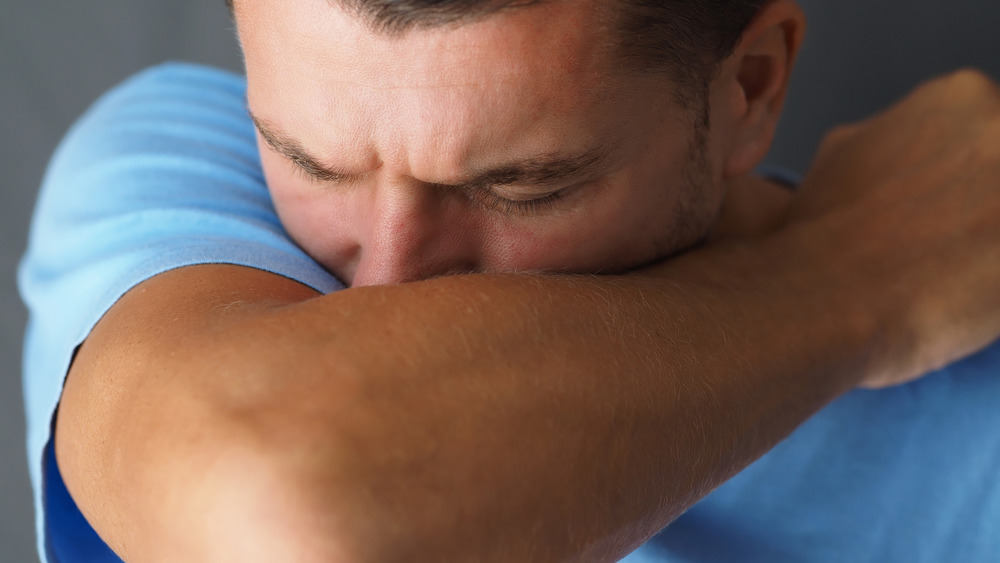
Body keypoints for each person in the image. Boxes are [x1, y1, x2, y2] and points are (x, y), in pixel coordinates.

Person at [18, 0, 1000, 561]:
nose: (390, 284)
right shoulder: (184, 165)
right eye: (312, 163)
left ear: (748, 88)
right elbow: (298, 515)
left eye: (519, 187)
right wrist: (857, 277)